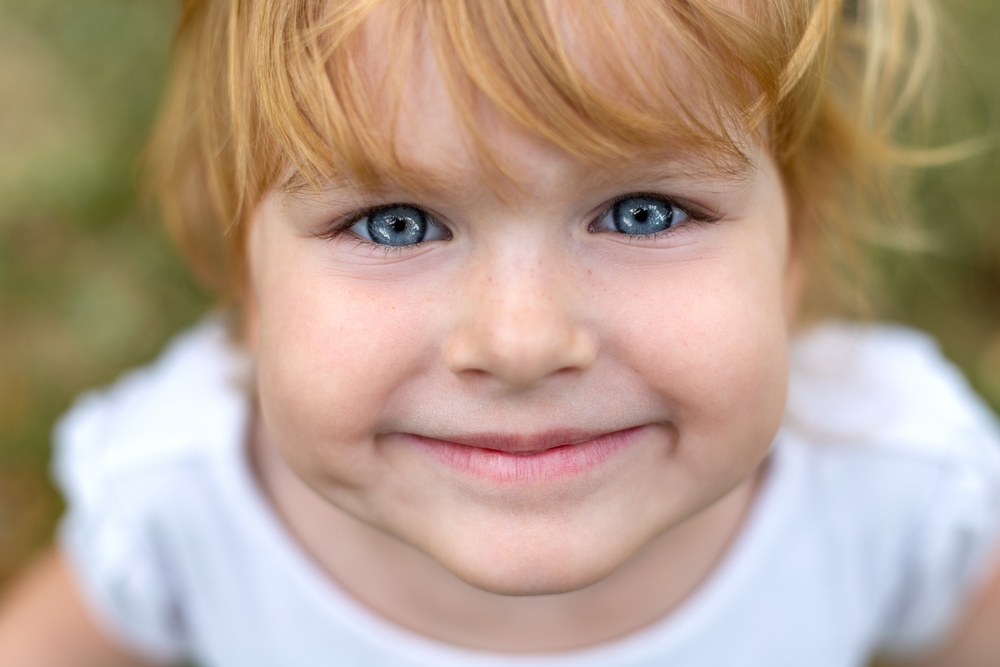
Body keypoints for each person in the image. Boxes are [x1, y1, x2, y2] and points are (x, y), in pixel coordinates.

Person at [1, 0, 999, 665]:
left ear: (793, 250)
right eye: (395, 224)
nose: (521, 341)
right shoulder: (184, 504)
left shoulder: (889, 479)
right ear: (245, 281)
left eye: (643, 212)